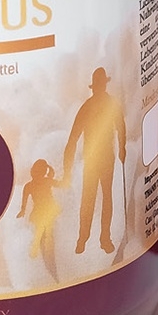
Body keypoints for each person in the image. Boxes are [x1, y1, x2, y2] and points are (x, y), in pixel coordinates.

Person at [62, 67, 127, 254]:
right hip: (92, 159)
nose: (100, 88)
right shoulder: (88, 107)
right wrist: (67, 169)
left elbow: (121, 127)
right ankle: (83, 238)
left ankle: (103, 238)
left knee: (104, 198)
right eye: (99, 84)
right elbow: (73, 139)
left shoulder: (108, 105)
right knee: (90, 198)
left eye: (101, 84)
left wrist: (122, 148)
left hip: (106, 159)